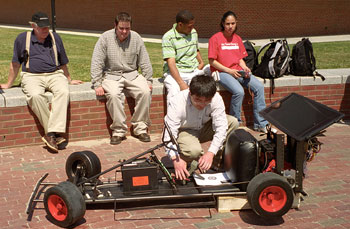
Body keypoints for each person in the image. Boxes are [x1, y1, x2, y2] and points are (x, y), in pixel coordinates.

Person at [0, 12, 82, 152]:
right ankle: (54, 134)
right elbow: (15, 64)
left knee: (63, 92)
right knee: (35, 96)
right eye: (42, 27)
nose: (45, 30)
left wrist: (69, 79)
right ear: (33, 26)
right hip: (31, 76)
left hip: (54, 74)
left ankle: (51, 133)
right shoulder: (22, 39)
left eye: (47, 27)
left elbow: (62, 62)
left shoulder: (55, 37)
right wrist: (8, 84)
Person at [91, 12, 153, 145]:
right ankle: (118, 131)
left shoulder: (136, 37)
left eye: (127, 28)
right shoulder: (105, 38)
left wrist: (148, 80)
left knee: (145, 92)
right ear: (115, 26)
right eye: (121, 28)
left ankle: (140, 128)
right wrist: (97, 84)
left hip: (132, 74)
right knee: (113, 95)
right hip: (111, 75)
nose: (124, 31)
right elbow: (97, 61)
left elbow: (145, 60)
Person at [164, 75, 239, 180]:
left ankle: (216, 162)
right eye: (198, 100)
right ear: (190, 93)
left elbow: (221, 127)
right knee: (194, 151)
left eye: (207, 100)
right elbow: (168, 134)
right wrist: (175, 159)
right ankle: (185, 159)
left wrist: (210, 153)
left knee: (232, 122)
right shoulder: (177, 101)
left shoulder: (216, 98)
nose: (202, 104)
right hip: (185, 130)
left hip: (205, 127)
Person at [208, 11, 268, 132]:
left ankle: (261, 124)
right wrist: (229, 71)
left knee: (259, 87)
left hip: (238, 70)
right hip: (222, 72)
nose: (230, 26)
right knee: (239, 92)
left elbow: (240, 59)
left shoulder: (237, 38)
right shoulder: (215, 38)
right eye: (227, 23)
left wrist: (245, 67)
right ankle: (234, 124)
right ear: (223, 24)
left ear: (236, 24)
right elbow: (212, 61)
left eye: (233, 23)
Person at [162, 10, 207, 105]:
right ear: (180, 24)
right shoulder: (168, 37)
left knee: (202, 92)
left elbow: (196, 49)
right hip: (175, 73)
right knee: (174, 93)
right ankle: (172, 119)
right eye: (189, 26)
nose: (192, 28)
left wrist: (201, 63)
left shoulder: (193, 32)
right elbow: (171, 63)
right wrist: (181, 84)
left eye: (193, 25)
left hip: (193, 71)